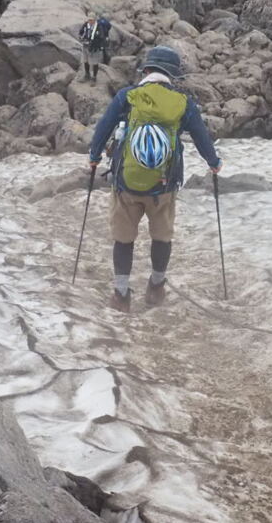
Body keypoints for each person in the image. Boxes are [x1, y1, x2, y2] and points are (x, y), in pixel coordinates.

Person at [88, 45, 223, 313]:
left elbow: (104, 127)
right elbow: (201, 137)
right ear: (172, 75)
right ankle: (156, 287)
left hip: (126, 183)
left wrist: (94, 157)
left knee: (123, 239)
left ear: (146, 70)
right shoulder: (183, 103)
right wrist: (214, 163)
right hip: (165, 185)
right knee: (162, 236)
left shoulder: (128, 96)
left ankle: (121, 295)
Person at [78, 16, 107, 82]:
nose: (90, 21)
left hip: (94, 48)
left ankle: (94, 77)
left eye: (91, 20)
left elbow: (101, 37)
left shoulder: (98, 27)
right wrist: (81, 38)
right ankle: (87, 75)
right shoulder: (86, 25)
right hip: (85, 46)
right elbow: (81, 32)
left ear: (94, 20)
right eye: (89, 20)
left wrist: (94, 43)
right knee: (85, 61)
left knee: (95, 63)